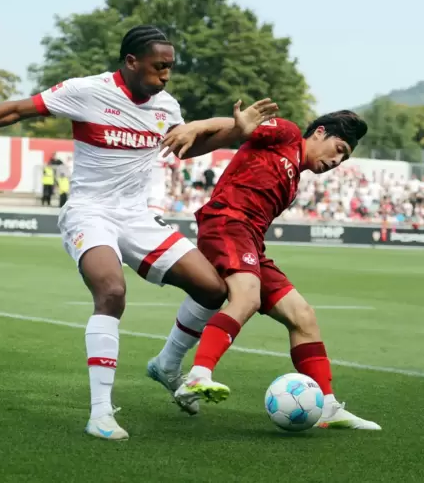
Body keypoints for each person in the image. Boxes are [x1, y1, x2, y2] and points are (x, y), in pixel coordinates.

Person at [0, 24, 280, 441]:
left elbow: (184, 146)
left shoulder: (166, 105)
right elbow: (17, 110)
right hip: (90, 212)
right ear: (131, 63)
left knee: (211, 289)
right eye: (159, 67)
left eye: (169, 68)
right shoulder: (87, 91)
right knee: (112, 293)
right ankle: (100, 412)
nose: (165, 76)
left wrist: (236, 134)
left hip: (137, 217)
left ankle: (167, 365)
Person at [147, 110, 382, 430]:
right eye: (339, 149)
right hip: (226, 225)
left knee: (303, 316)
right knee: (246, 298)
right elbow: (236, 127)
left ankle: (327, 405)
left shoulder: (294, 179)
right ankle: (198, 376)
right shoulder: (286, 134)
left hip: (251, 243)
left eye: (345, 158)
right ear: (319, 133)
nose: (337, 162)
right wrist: (198, 126)